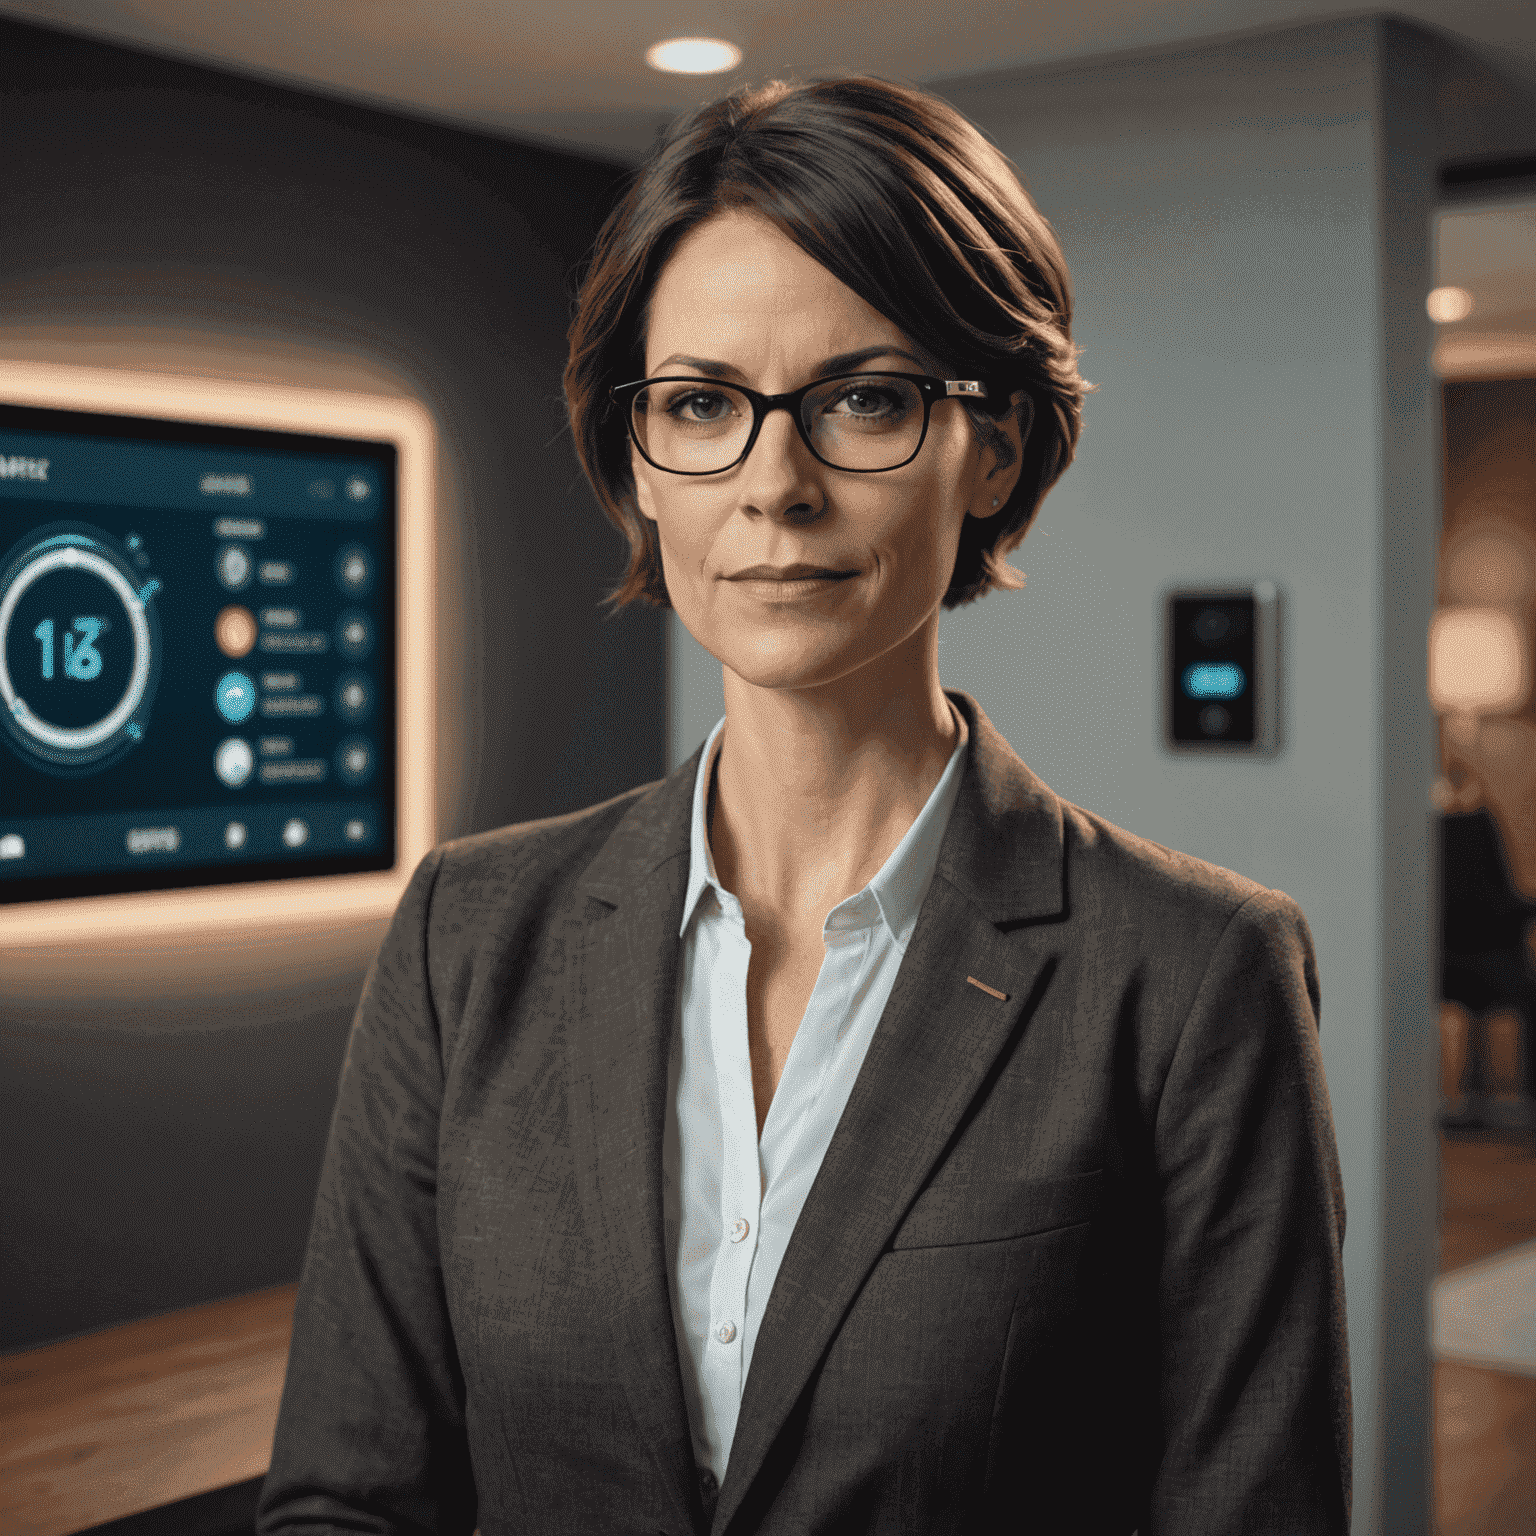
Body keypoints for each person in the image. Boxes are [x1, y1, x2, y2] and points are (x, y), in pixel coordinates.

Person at [257, 74, 1350, 1536]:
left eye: (864, 401)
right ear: (638, 457)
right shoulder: (469, 936)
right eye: (702, 404)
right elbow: (348, 1499)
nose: (776, 484)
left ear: (998, 445)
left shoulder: (1197, 976)